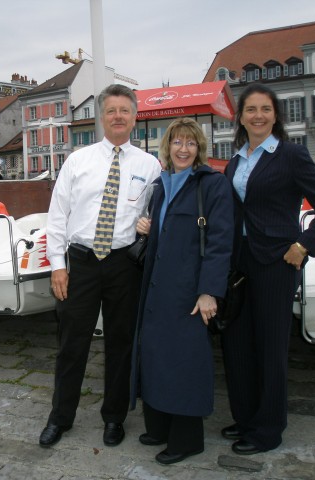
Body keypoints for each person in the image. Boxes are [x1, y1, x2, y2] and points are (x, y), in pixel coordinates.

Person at [39, 84, 161, 448]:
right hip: (81, 264)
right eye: (112, 111)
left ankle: (114, 417)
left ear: (135, 116)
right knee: (71, 344)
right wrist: (57, 266)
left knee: (121, 344)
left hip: (125, 264)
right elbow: (57, 217)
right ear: (102, 117)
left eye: (125, 110)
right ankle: (61, 418)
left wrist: (151, 225)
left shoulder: (149, 165)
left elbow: (157, 212)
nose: (118, 116)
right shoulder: (78, 161)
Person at [221, 83, 315, 455]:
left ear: (275, 116)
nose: (258, 115)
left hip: (275, 264)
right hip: (238, 262)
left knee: (270, 349)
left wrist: (304, 246)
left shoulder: (291, 155)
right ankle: (245, 418)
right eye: (251, 109)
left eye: (265, 109)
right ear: (240, 117)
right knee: (237, 346)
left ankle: (268, 430)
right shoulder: (235, 160)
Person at [129, 118, 234, 465]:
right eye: (177, 142)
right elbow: (163, 235)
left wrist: (209, 292)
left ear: (199, 148)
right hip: (158, 289)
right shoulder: (161, 185)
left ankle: (187, 440)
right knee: (157, 357)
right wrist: (147, 227)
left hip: (190, 291)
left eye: (190, 143)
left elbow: (220, 243)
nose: (183, 149)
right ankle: (159, 427)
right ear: (168, 147)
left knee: (186, 362)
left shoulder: (211, 185)